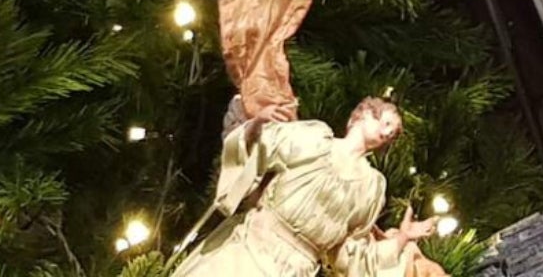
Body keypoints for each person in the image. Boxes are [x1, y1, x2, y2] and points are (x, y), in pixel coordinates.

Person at [170, 96, 437, 277]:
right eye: (386, 122)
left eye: (393, 133)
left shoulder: (371, 186)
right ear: (364, 114)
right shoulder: (312, 138)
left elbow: (347, 253)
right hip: (248, 251)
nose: (388, 133)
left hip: (297, 269)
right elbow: (255, 152)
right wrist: (257, 123)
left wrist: (402, 238)